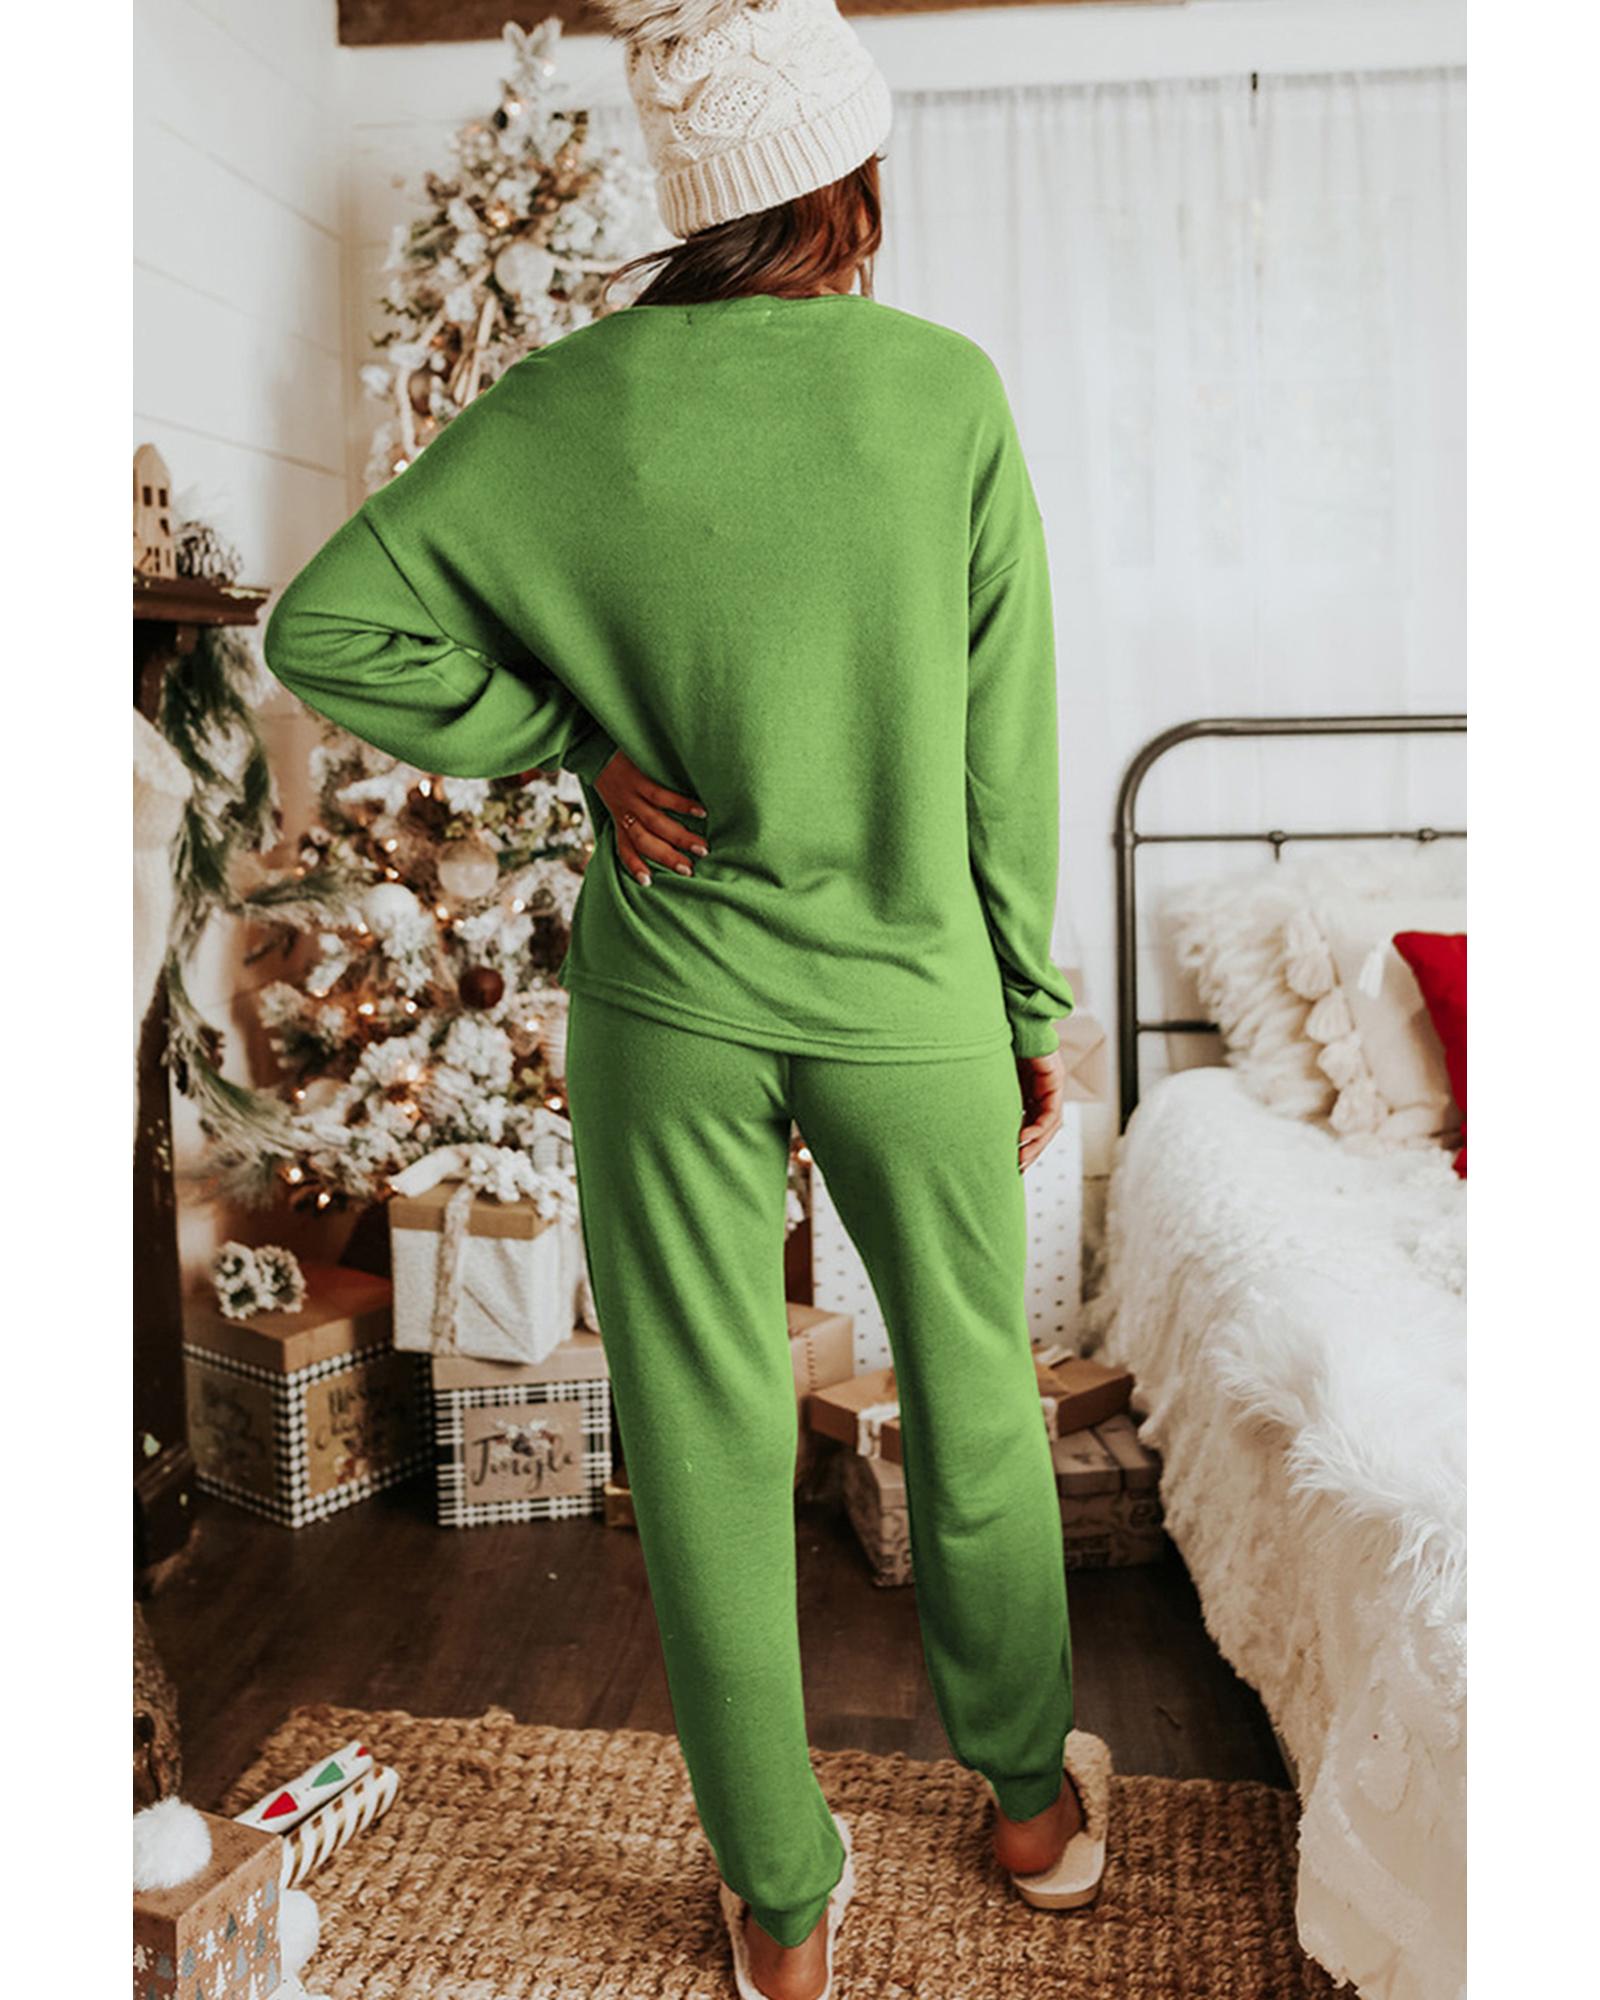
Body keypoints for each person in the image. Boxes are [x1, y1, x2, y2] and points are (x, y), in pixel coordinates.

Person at [262, 3, 1110, 1995]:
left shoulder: (572, 401)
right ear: (842, 175)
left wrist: (569, 740)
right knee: (972, 1397)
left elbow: (325, 627)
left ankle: (783, 1905)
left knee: (705, 1436)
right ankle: (1028, 1807)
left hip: (670, 999)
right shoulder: (942, 393)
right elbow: (1005, 746)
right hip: (910, 994)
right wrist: (1025, 1003)